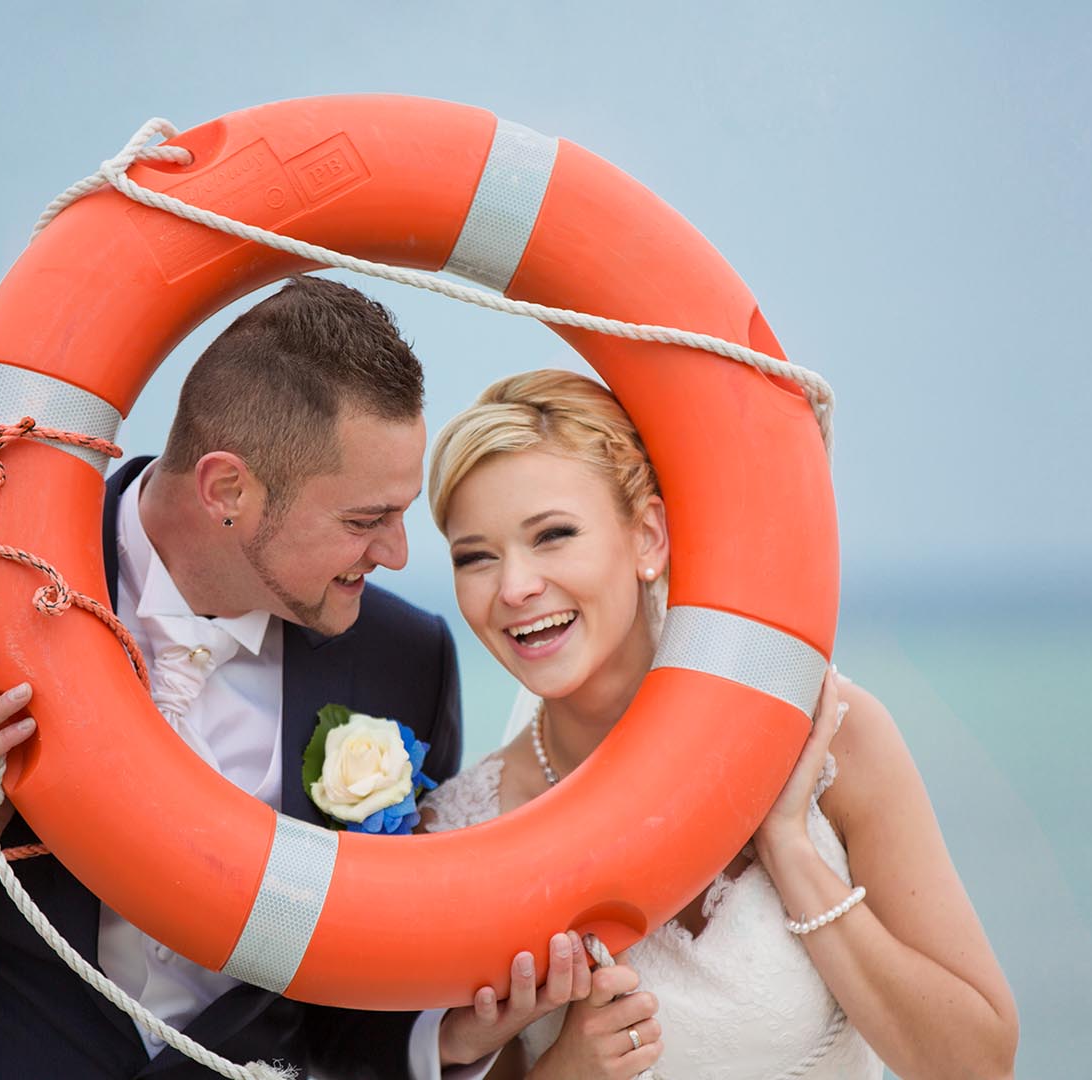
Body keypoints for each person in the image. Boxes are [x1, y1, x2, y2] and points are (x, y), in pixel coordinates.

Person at [0, 277, 578, 1079]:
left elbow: (342, 999)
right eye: (365, 519)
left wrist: (442, 1038)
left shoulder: (402, 658)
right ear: (227, 489)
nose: (395, 553)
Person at [420, 370, 1020, 1079]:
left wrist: (790, 848)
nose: (514, 586)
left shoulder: (830, 741)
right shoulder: (464, 833)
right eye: (475, 557)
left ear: (648, 537)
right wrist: (569, 1069)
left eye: (552, 535)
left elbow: (979, 1064)